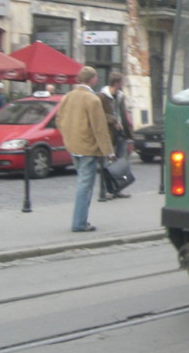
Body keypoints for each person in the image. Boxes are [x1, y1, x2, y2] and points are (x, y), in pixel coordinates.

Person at [55, 66, 115, 232]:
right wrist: (109, 151)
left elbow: (59, 120)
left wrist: (68, 136)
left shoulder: (68, 96)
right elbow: (100, 128)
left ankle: (81, 220)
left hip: (73, 146)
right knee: (85, 186)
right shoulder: (92, 99)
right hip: (88, 147)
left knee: (83, 183)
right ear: (93, 79)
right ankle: (79, 222)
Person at [97, 71, 133, 200]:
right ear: (117, 83)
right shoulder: (102, 97)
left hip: (121, 134)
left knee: (121, 163)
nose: (122, 84)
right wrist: (113, 120)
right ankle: (106, 190)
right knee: (108, 164)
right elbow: (99, 115)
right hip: (109, 134)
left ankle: (118, 189)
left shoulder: (121, 96)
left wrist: (129, 132)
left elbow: (123, 115)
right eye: (121, 82)